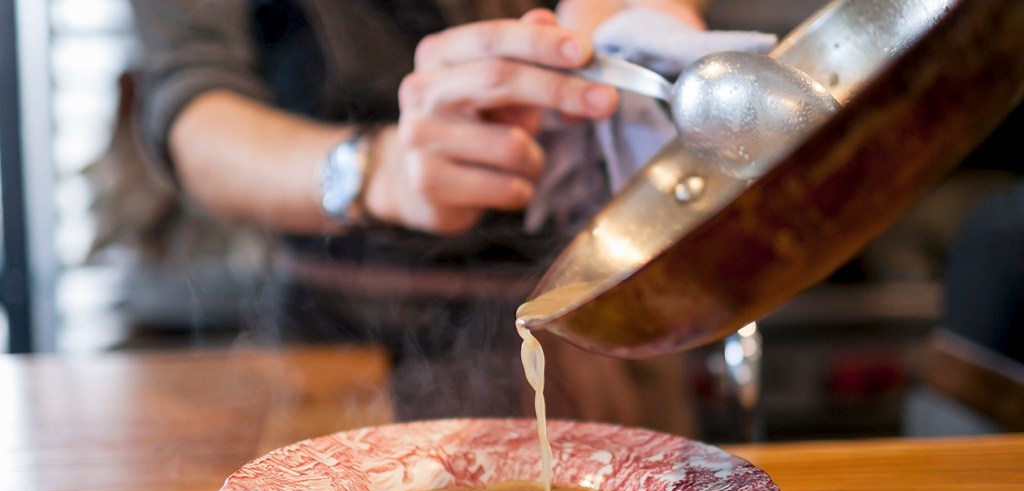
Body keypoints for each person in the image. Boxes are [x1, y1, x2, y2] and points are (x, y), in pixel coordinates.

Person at [126, 0, 706, 430]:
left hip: (597, 318)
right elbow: (194, 110)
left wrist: (631, 27)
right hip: (340, 346)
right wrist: (378, 170)